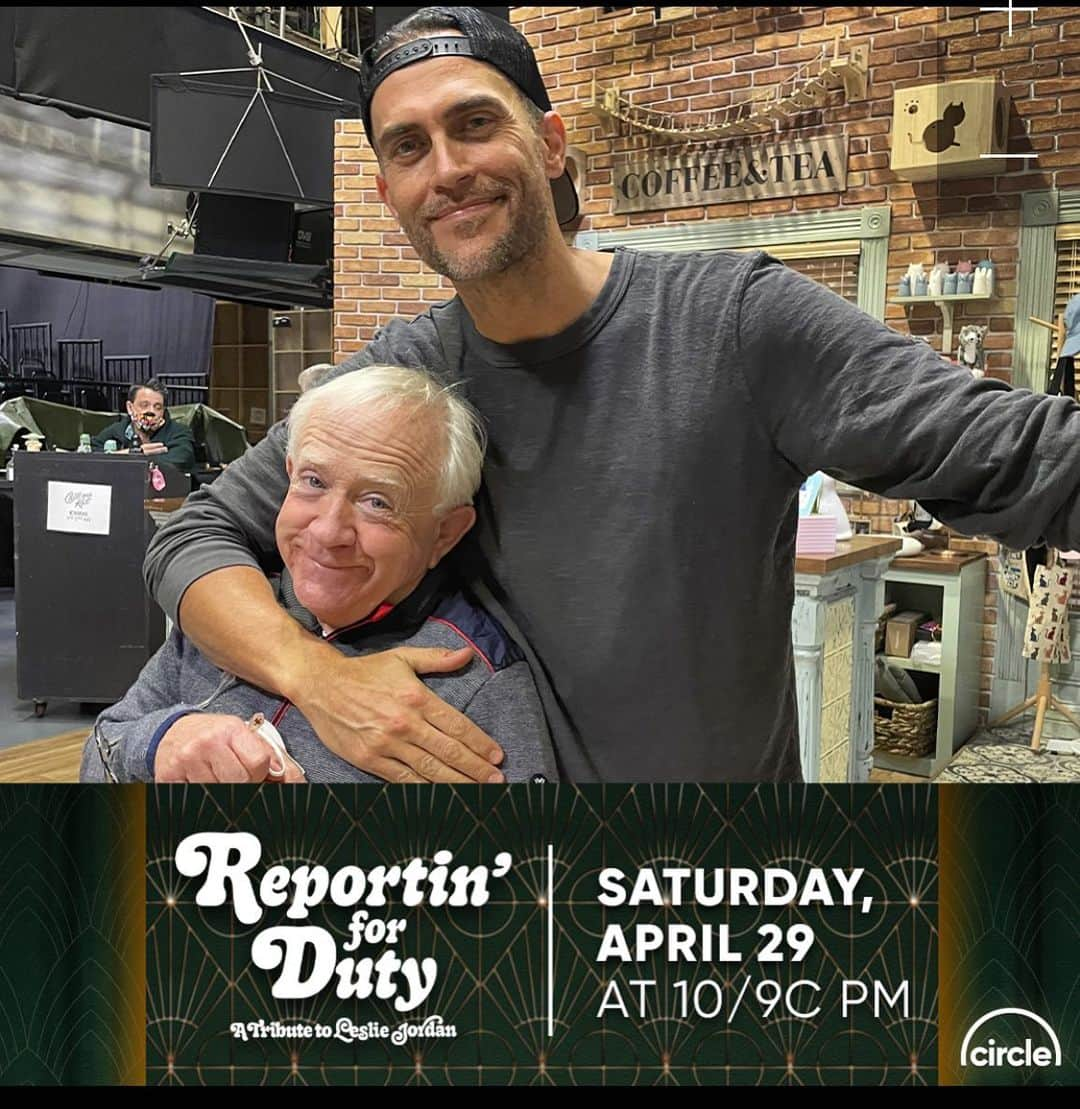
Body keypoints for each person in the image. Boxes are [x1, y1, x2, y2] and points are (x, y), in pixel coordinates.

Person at [144, 7, 1080, 783]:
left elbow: (1026, 457)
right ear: (389, 192)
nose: (449, 169)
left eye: (475, 123)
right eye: (409, 147)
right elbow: (194, 535)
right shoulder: (405, 379)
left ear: (549, 144)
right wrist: (315, 677)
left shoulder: (732, 323)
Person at [81, 365, 556, 784]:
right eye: (314, 482)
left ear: (444, 535)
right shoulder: (230, 607)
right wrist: (160, 743)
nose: (328, 533)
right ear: (288, 475)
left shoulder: (478, 683)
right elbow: (100, 754)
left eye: (378, 502)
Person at [92, 379, 196, 469]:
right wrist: (132, 453)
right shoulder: (116, 431)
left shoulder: (179, 433)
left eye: (158, 407)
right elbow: (88, 454)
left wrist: (134, 458)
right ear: (130, 408)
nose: (151, 411)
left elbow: (181, 460)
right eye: (144, 405)